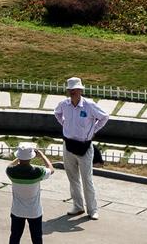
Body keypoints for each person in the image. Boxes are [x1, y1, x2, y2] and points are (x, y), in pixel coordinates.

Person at [53, 77, 109, 220]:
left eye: (75, 89)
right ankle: (78, 206)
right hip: (68, 145)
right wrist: (65, 125)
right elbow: (57, 113)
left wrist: (93, 130)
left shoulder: (89, 105)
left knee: (87, 179)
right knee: (72, 178)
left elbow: (104, 117)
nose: (72, 92)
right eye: (70, 90)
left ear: (80, 90)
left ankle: (92, 209)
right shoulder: (64, 104)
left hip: (84, 147)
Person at [5, 141, 49, 244]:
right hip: (34, 211)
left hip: (17, 211)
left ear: (19, 156)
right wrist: (42, 155)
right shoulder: (38, 172)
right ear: (31, 157)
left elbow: (9, 165)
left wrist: (20, 157)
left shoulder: (11, 172)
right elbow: (51, 169)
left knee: (15, 237)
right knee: (37, 238)